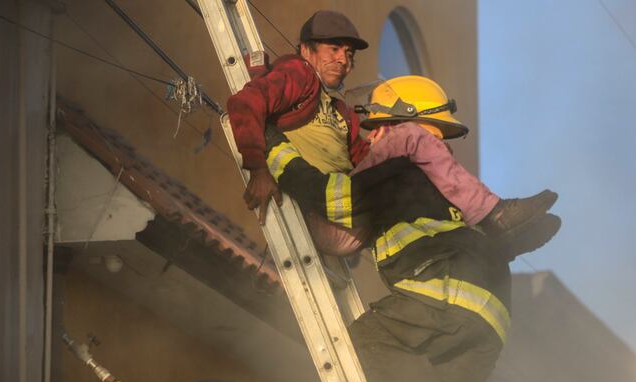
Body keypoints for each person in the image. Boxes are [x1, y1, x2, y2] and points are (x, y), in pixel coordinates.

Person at [262, 75, 556, 382]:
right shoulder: (442, 187)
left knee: (366, 341)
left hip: (444, 290)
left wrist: (275, 150)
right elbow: (345, 239)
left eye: (376, 127)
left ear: (401, 123)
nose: (371, 138)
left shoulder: (398, 166)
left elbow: (334, 200)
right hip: (489, 317)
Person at [227, 10, 559, 259]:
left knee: (416, 175)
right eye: (334, 49)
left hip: (348, 216)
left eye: (350, 55)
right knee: (412, 137)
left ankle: (489, 239)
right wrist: (257, 170)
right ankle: (495, 216)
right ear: (307, 49)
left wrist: (378, 147)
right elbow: (243, 104)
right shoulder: (298, 73)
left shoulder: (340, 112)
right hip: (321, 210)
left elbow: (359, 159)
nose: (344, 60)